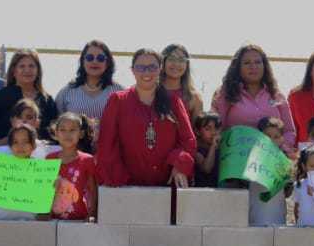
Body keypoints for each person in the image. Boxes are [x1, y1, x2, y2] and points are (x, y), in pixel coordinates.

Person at [96, 49, 197, 187]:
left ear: (160, 69)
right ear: (132, 70)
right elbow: (107, 143)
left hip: (167, 183)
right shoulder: (118, 100)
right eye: (140, 67)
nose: (146, 72)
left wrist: (179, 165)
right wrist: (118, 179)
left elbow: (188, 140)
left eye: (152, 67)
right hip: (126, 185)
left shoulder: (173, 101)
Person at [212, 44, 296, 153]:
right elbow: (217, 129)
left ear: (264, 65)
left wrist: (282, 148)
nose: (253, 67)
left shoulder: (276, 94)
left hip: (272, 157)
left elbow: (289, 131)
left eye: (258, 62)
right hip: (235, 156)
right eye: (247, 63)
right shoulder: (225, 93)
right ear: (238, 67)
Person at [0, 48, 59, 149]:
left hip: (37, 158)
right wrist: (1, 142)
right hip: (5, 156)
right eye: (22, 66)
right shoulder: (2, 96)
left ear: (38, 70)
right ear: (14, 71)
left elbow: (54, 134)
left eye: (31, 66)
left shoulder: (47, 100)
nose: (27, 70)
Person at [55, 40, 124, 124]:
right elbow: (56, 122)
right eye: (89, 57)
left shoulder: (119, 91)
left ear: (108, 62)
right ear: (83, 61)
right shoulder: (67, 91)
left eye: (100, 58)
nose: (95, 61)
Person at [49, 113, 99, 221]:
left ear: (81, 134)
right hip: (53, 220)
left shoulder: (87, 160)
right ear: (56, 133)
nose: (67, 134)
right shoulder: (49, 159)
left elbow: (93, 190)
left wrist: (92, 214)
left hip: (79, 219)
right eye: (63, 130)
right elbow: (44, 190)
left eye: (72, 130)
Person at [250, 117, 291, 226]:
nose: (271, 140)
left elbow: (288, 191)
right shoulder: (251, 158)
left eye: (276, 137)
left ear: (282, 139)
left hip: (276, 210)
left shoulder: (285, 161)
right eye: (267, 136)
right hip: (255, 209)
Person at [161, 44, 205, 119]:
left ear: (187, 65)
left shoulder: (194, 98)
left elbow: (196, 130)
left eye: (181, 60)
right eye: (171, 59)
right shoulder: (151, 92)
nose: (176, 64)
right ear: (163, 62)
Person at [193, 112, 221, 188]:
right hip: (202, 192)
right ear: (198, 132)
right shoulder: (196, 151)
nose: (213, 132)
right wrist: (213, 146)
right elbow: (207, 168)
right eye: (208, 129)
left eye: (216, 128)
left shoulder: (221, 148)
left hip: (219, 191)